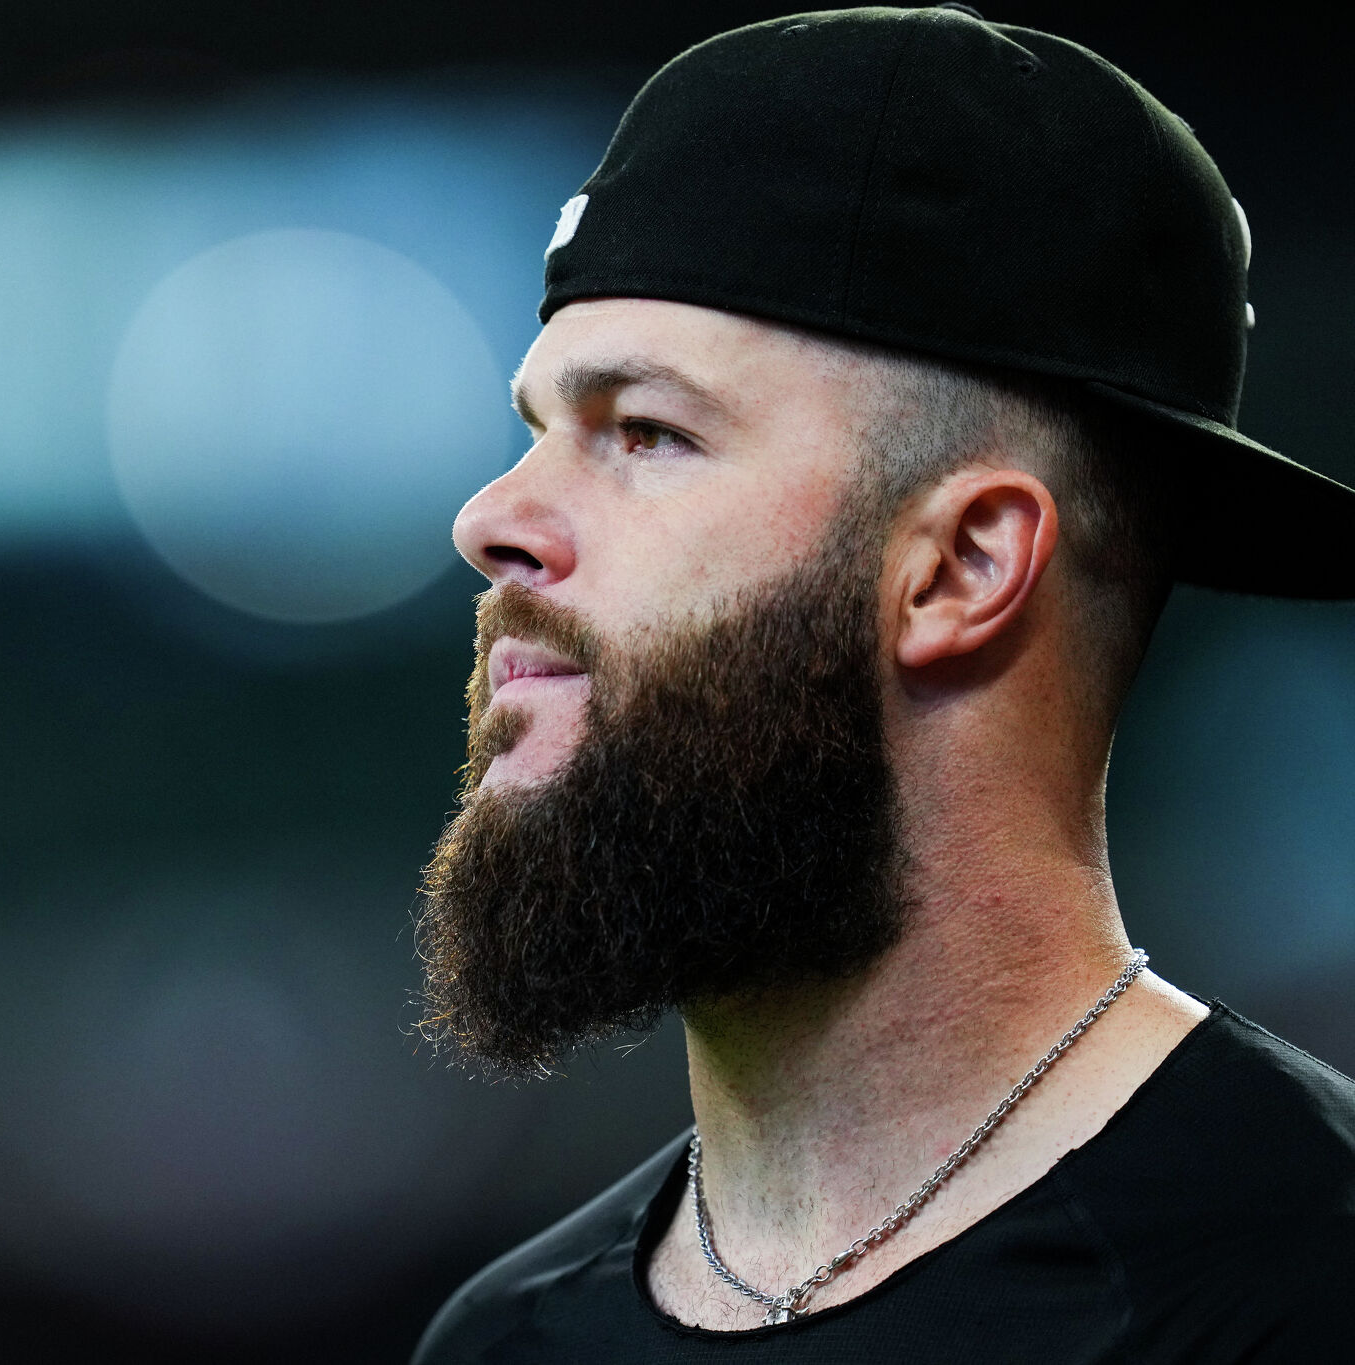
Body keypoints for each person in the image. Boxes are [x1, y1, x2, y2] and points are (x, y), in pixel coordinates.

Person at [408, 5, 1355, 1360]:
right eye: (541, 428)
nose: (493, 517)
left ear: (964, 567)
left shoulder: (1305, 1280)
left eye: (648, 432)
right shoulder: (506, 1341)